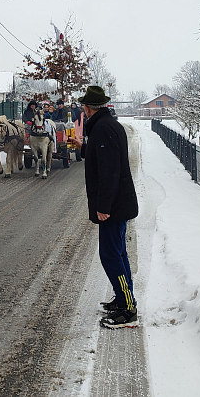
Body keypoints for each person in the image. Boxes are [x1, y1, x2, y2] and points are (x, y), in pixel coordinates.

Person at [68, 85, 139, 329]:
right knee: (117, 253)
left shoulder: (103, 129)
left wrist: (104, 206)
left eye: (82, 106)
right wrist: (81, 147)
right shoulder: (107, 126)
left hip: (114, 205)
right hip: (118, 203)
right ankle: (123, 299)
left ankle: (128, 309)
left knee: (110, 254)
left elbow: (110, 171)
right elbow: (106, 158)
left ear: (87, 108)